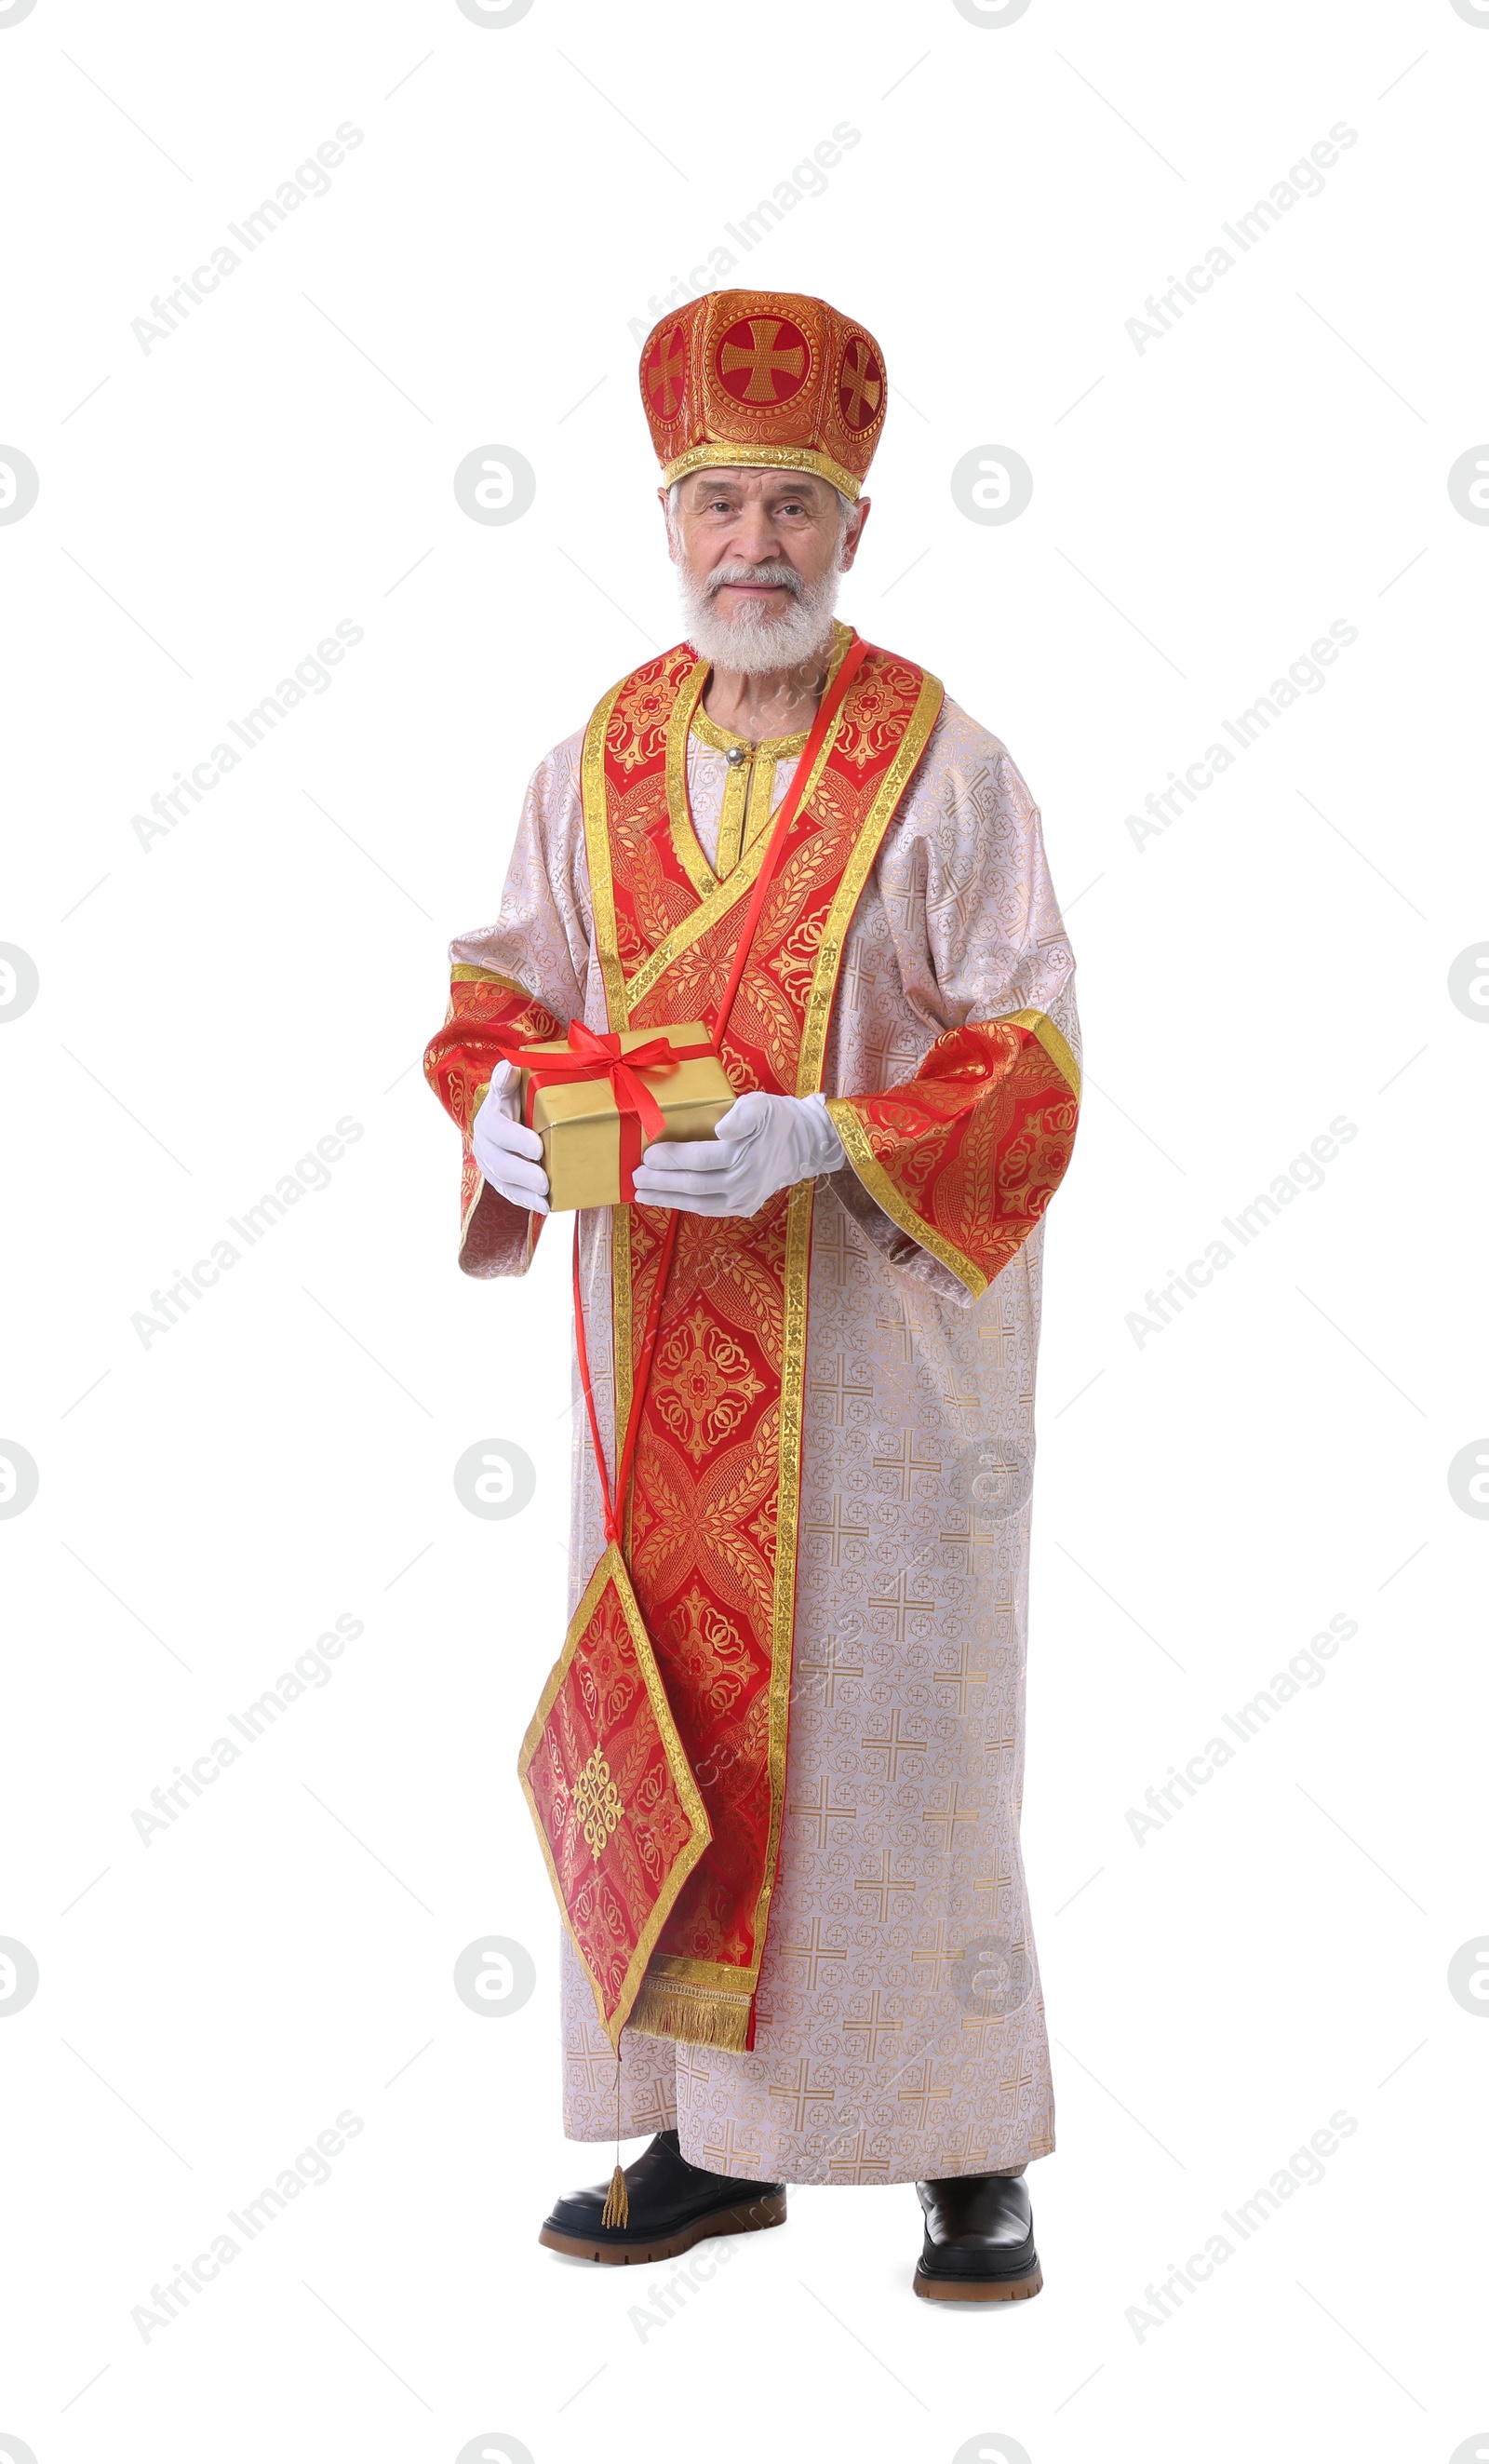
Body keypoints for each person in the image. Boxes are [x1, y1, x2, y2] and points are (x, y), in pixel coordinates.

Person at [424, 288, 1080, 2301]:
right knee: (673, 1722)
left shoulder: (945, 769)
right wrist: (504, 1122)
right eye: (717, 502)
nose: (752, 547)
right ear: (666, 515)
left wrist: (836, 1134)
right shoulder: (590, 755)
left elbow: (1031, 1053)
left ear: (855, 527)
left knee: (898, 1742)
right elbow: (500, 999)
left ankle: (965, 2155)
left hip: (882, 1365)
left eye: (793, 505)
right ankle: (702, 2138)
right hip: (652, 1356)